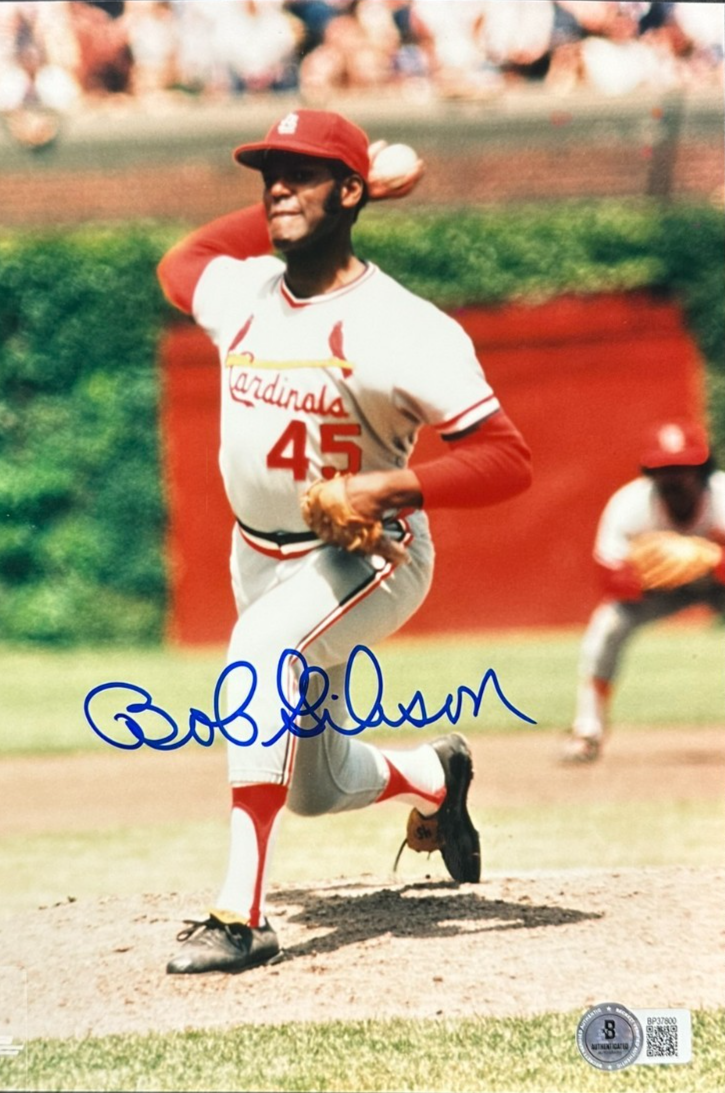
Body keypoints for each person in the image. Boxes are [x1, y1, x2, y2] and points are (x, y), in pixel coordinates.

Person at [156, 108, 532, 974]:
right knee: (316, 786)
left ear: (350, 192)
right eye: (269, 176)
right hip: (260, 555)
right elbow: (181, 262)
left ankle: (240, 916)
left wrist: (382, 486)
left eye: (303, 174)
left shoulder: (404, 325)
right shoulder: (244, 292)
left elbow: (506, 458)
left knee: (260, 648)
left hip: (369, 553)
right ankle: (435, 775)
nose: (277, 188)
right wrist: (314, 204)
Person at [563, 420, 725, 763]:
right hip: (657, 591)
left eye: (684, 468)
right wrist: (653, 572)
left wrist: (710, 560)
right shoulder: (630, 505)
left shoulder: (722, 497)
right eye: (664, 470)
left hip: (717, 585)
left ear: (702, 469)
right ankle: (587, 730)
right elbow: (610, 577)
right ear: (650, 473)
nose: (674, 478)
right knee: (608, 625)